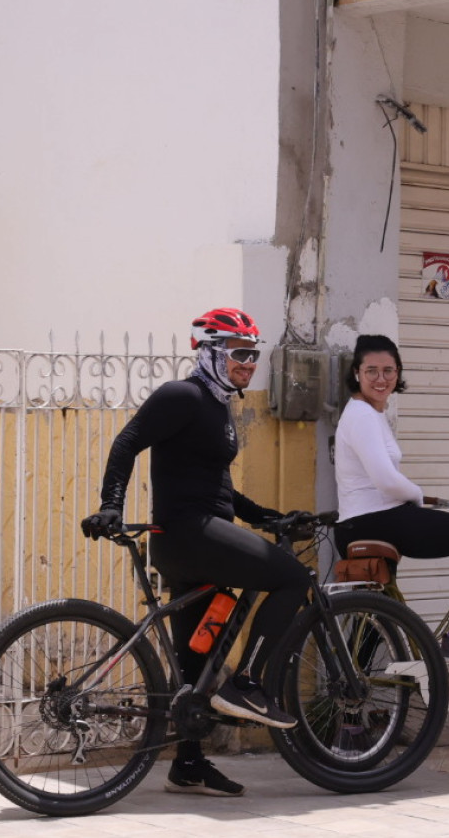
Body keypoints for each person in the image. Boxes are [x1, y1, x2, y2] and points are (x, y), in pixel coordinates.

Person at [85, 307, 309, 797]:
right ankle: (247, 683)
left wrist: (269, 517)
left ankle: (187, 764)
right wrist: (110, 506)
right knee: (294, 579)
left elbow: (220, 490)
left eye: (254, 354)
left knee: (193, 662)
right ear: (209, 352)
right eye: (239, 353)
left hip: (199, 534)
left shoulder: (217, 406)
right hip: (191, 536)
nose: (249, 363)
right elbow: (127, 444)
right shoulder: (182, 396)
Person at [333, 334, 449, 660]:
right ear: (357, 372)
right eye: (372, 371)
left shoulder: (367, 414)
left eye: (388, 370)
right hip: (378, 521)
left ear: (398, 373)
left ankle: (350, 700)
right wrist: (415, 496)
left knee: (375, 618)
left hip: (361, 525)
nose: (381, 379)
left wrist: (414, 497)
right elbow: (385, 480)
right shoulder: (362, 416)